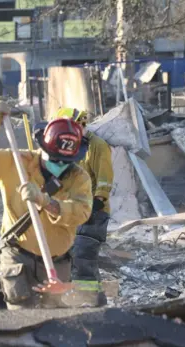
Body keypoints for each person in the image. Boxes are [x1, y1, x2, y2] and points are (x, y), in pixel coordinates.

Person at [0, 97, 92, 309]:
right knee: (22, 320)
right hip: (17, 258)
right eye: (55, 159)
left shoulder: (79, 178)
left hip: (57, 263)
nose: (60, 165)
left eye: (65, 162)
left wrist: (46, 201)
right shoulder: (16, 163)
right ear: (42, 148)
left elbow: (82, 212)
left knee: (55, 323)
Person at [54, 108, 114, 307]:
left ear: (79, 124)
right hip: (75, 212)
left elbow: (105, 180)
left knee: (82, 257)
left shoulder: (98, 146)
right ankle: (96, 300)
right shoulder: (73, 147)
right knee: (75, 258)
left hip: (94, 213)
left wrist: (97, 203)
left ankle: (87, 302)